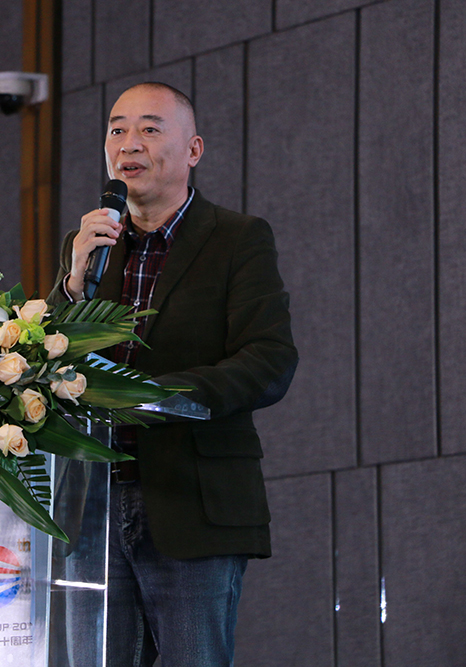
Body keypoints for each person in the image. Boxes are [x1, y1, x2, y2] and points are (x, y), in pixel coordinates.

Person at [47, 82, 297, 666]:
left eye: (149, 129)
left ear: (193, 149)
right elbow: (48, 364)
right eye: (117, 129)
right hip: (92, 511)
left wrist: (153, 396)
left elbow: (269, 360)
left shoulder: (237, 238)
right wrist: (73, 283)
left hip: (192, 499)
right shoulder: (88, 246)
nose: (129, 143)